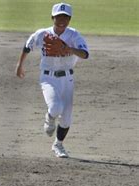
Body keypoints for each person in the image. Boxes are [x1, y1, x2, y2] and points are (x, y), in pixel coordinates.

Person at [15, 2, 89, 158]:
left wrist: (69, 49)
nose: (62, 20)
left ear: (70, 19)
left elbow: (85, 54)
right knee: (55, 107)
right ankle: (49, 119)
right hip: (48, 78)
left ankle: (58, 144)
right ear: (52, 18)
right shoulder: (42, 34)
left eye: (65, 17)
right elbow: (27, 47)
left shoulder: (74, 35)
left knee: (67, 118)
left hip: (68, 79)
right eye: (58, 17)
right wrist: (19, 65)